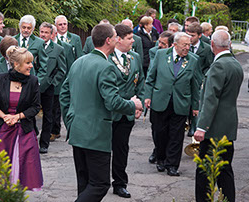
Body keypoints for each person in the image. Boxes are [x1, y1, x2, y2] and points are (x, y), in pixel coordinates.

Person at [60, 24, 143, 202]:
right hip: (95, 134)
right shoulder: (106, 67)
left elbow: (64, 95)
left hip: (78, 131)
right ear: (108, 41)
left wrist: (71, 120)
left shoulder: (78, 62)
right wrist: (132, 104)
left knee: (85, 183)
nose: (116, 39)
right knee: (99, 184)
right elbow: (112, 101)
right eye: (115, 37)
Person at [194, 30, 244, 202]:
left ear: (212, 45)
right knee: (225, 171)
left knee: (205, 172)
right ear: (229, 44)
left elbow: (210, 99)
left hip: (214, 128)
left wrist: (201, 127)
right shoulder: (234, 63)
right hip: (228, 125)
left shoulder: (219, 66)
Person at [144, 32, 202, 177]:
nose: (188, 48)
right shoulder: (161, 55)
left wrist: (195, 106)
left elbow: (195, 85)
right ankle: (161, 158)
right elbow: (151, 77)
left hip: (181, 103)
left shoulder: (193, 60)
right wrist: (147, 96)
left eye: (189, 45)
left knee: (176, 136)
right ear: (175, 45)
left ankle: (172, 165)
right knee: (159, 132)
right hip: (160, 100)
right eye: (184, 45)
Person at [0, 46, 43, 190]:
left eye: (31, 62)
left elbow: (35, 107)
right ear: (16, 64)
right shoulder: (1, 79)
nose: (31, 65)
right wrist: (4, 116)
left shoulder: (33, 81)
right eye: (28, 63)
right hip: (2, 130)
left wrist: (17, 117)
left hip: (24, 131)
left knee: (23, 173)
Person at [110, 24, 145, 198]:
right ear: (118, 39)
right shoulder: (106, 58)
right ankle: (98, 182)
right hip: (108, 114)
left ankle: (119, 183)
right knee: (103, 150)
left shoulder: (135, 57)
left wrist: (140, 106)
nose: (133, 41)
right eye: (130, 38)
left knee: (121, 149)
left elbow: (141, 82)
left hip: (126, 115)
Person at [37, 22, 67, 154]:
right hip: (32, 86)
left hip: (48, 87)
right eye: (42, 32)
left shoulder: (58, 49)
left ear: (52, 34)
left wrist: (52, 82)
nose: (43, 35)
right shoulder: (34, 46)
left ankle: (44, 143)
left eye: (46, 32)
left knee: (48, 116)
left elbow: (62, 70)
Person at [147, 30, 174, 165]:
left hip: (172, 97)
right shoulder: (155, 52)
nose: (159, 45)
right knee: (156, 128)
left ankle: (165, 155)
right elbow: (151, 74)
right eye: (159, 42)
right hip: (158, 95)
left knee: (170, 130)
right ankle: (158, 150)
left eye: (163, 43)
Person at [52, 25, 75, 142]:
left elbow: (70, 64)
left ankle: (56, 130)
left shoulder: (66, 47)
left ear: (54, 34)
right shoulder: (43, 45)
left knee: (58, 107)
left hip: (62, 81)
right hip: (49, 82)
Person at [14, 15, 48, 85]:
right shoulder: (13, 40)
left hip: (30, 81)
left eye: (29, 28)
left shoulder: (39, 42)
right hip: (14, 79)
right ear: (20, 26)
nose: (26, 30)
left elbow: (44, 65)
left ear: (33, 28)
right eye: (24, 27)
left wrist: (37, 81)